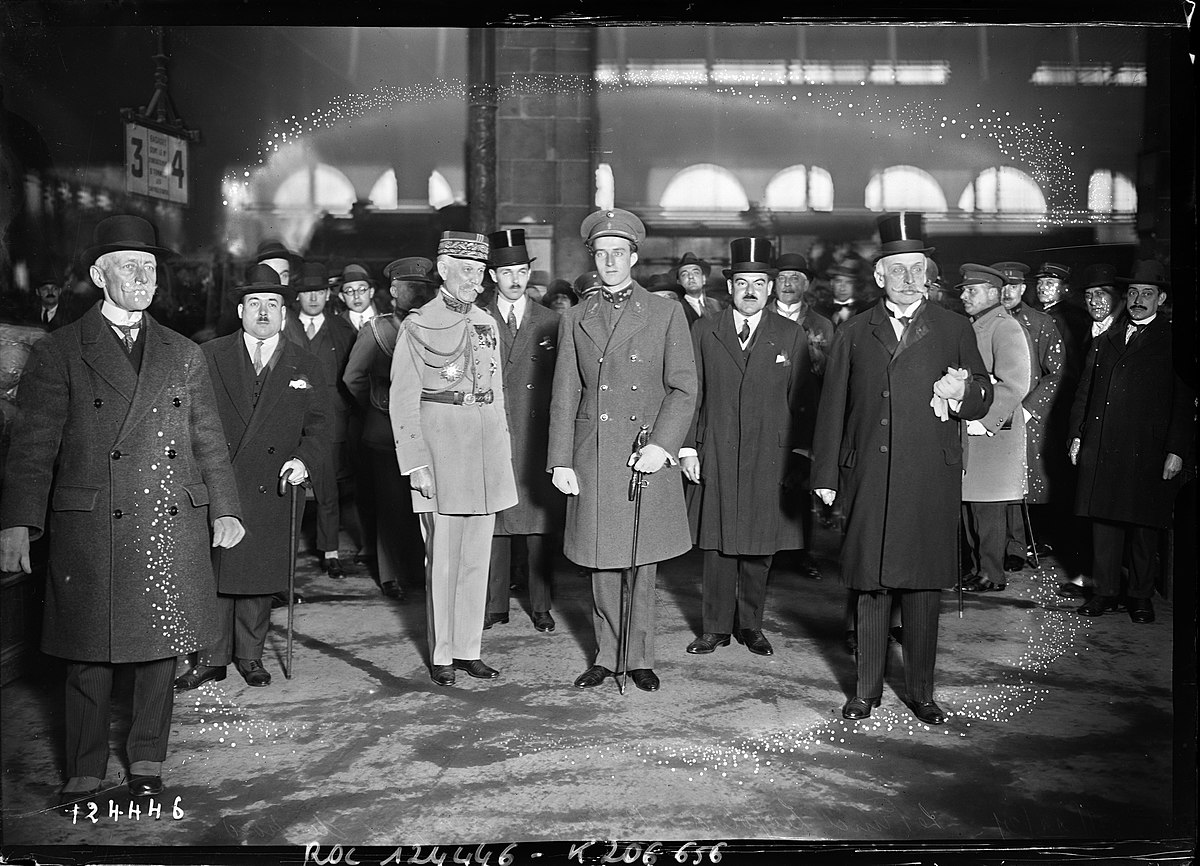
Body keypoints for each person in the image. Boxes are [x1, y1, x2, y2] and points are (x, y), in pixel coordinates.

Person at [0, 214, 245, 808]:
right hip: (92, 522)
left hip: (168, 518)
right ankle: (84, 770)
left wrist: (227, 508)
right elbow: (34, 446)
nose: (144, 277)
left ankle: (147, 761)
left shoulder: (183, 352)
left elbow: (207, 437)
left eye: (151, 267)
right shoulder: (61, 351)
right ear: (98, 274)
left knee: (162, 650)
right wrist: (15, 522)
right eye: (129, 266)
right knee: (88, 654)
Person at [812, 212, 992, 726]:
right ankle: (865, 691)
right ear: (879, 275)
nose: (911, 280)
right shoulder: (853, 331)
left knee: (923, 586)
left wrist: (965, 395)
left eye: (919, 269)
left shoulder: (954, 326)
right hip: (869, 472)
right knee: (870, 585)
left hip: (928, 474)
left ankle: (922, 691)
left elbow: (982, 394)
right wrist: (825, 474)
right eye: (899, 269)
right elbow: (832, 409)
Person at [548, 208, 697, 693]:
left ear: (633, 256)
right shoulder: (575, 317)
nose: (610, 261)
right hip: (594, 455)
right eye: (601, 253)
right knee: (601, 559)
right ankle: (606, 656)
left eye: (619, 253)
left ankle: (639, 658)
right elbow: (564, 394)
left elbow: (684, 389)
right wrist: (560, 460)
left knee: (642, 560)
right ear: (592, 257)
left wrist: (663, 445)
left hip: (642, 452)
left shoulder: (665, 312)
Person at [175, 264, 330, 691]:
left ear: (285, 313)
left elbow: (321, 427)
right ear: (241, 309)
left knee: (259, 575)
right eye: (256, 304)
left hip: (275, 482)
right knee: (217, 571)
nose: (264, 312)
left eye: (273, 304)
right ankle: (210, 657)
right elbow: (187, 421)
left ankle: (250, 655)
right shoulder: (208, 356)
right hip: (220, 480)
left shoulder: (307, 364)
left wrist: (304, 460)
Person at [389, 232, 517, 686]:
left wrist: (503, 463)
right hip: (440, 458)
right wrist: (416, 463)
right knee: (441, 562)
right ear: (443, 270)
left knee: (474, 562)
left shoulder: (486, 322)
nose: (475, 279)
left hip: (483, 459)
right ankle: (442, 655)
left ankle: (468, 651)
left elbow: (496, 397)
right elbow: (401, 402)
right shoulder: (418, 325)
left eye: (480, 272)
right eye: (466, 270)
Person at [681, 237, 812, 658]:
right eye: (742, 283)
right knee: (718, 542)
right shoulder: (704, 330)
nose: (751, 291)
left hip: (768, 454)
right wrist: (687, 449)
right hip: (716, 447)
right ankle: (715, 627)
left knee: (760, 544)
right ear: (730, 287)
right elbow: (689, 394)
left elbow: (802, 401)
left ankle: (751, 625)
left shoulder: (791, 335)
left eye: (759, 283)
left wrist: (798, 455)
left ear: (771, 288)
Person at [1070, 260, 1193, 623]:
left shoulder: (1173, 340)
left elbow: (1183, 402)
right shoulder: (1106, 338)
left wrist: (1176, 449)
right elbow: (1084, 392)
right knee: (1104, 523)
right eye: (1134, 293)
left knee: (1144, 526)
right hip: (1104, 443)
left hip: (1148, 448)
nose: (1139, 299)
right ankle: (1105, 592)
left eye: (1148, 293)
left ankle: (1140, 597)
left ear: (1162, 298)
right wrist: (1076, 435)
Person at [483, 229, 563, 632]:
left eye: (521, 271)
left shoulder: (551, 320)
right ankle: (495, 604)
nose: (515, 280)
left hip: (536, 438)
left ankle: (541, 604)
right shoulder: (476, 319)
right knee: (494, 524)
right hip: (493, 435)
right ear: (492, 276)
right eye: (506, 272)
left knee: (538, 528)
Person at [342, 257, 434, 601]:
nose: (418, 295)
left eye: (423, 289)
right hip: (384, 435)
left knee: (420, 504)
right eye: (411, 288)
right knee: (390, 505)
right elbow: (352, 378)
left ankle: (418, 569)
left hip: (427, 431)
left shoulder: (434, 325)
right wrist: (380, 405)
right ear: (394, 291)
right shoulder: (378, 330)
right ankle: (391, 575)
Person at [957, 264, 1032, 594]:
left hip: (993, 433)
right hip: (975, 429)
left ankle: (992, 573)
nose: (963, 296)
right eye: (964, 290)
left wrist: (983, 421)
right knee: (971, 505)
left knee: (988, 509)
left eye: (970, 290)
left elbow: (1016, 383)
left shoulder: (1006, 328)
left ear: (992, 293)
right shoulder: (977, 326)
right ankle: (979, 569)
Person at [281, 261, 358, 578]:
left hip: (328, 419)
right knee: (288, 490)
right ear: (297, 296)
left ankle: (330, 551)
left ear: (328, 294)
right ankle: (284, 557)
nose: (313, 298)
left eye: (319, 292)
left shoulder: (342, 329)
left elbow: (351, 375)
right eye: (307, 292)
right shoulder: (284, 325)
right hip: (289, 416)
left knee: (328, 489)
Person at [992, 261, 1064, 575]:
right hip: (990, 412)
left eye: (1014, 286)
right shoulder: (984, 322)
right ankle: (990, 550)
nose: (1007, 292)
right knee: (990, 482)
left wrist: (1029, 408)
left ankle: (1015, 549)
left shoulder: (1041, 323)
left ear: (1024, 288)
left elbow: (1057, 373)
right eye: (1002, 286)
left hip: (1023, 415)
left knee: (1018, 482)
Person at [768, 252, 832, 378]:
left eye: (794, 278)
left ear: (806, 285)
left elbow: (833, 373)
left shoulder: (823, 324)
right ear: (774, 285)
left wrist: (820, 359)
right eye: (781, 278)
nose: (787, 284)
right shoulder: (759, 319)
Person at [1079, 263, 1124, 349]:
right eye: (1088, 296)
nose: (1093, 302)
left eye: (1099, 294)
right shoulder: (1085, 330)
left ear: (1116, 294)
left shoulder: (1126, 328)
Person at [675, 251, 723, 327]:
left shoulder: (715, 304)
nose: (690, 276)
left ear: (704, 279)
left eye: (696, 272)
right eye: (684, 274)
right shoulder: (677, 307)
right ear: (679, 282)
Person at [816, 261, 868, 328]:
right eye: (838, 282)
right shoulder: (820, 309)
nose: (842, 288)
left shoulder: (864, 310)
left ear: (855, 285)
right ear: (832, 283)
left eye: (848, 282)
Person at [339, 263, 380, 332]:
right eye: (349, 291)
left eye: (362, 289)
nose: (356, 296)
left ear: (371, 292)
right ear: (342, 297)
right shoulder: (336, 324)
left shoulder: (387, 321)